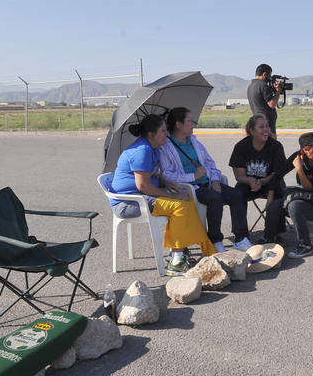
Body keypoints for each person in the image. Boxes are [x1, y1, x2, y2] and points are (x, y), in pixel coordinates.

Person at [109, 114, 214, 275]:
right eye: (163, 131)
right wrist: (171, 196)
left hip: (144, 197)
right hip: (128, 203)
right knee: (178, 205)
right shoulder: (142, 151)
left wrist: (169, 185)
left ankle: (179, 251)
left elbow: (155, 174)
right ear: (151, 135)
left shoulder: (153, 148)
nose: (167, 134)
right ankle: (176, 262)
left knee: (186, 198)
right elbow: (143, 186)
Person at [158, 107, 254, 254]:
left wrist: (215, 181)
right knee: (215, 198)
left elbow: (210, 163)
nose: (193, 124)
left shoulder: (194, 141)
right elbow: (167, 175)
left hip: (208, 183)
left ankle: (241, 239)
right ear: (178, 124)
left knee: (236, 195)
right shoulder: (166, 147)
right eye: (189, 121)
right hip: (190, 188)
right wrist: (193, 176)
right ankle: (215, 239)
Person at [264, 132, 313, 259]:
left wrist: (299, 169)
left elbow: (309, 188)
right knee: (275, 205)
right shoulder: (297, 157)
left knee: (294, 205)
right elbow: (277, 176)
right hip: (303, 200)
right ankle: (269, 239)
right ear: (305, 150)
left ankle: (305, 245)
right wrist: (270, 197)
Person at [229, 114, 287, 241]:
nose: (266, 129)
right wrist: (251, 181)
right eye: (261, 127)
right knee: (236, 194)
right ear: (252, 130)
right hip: (248, 184)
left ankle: (273, 233)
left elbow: (277, 174)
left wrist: (261, 181)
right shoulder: (241, 146)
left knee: (278, 193)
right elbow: (239, 176)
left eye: (267, 126)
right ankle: (241, 235)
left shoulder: (276, 146)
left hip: (271, 183)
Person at [247, 63, 282, 136]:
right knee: (271, 146)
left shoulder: (250, 86)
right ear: (264, 74)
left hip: (258, 123)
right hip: (266, 126)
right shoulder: (262, 85)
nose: (270, 78)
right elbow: (272, 104)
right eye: (269, 75)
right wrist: (278, 91)